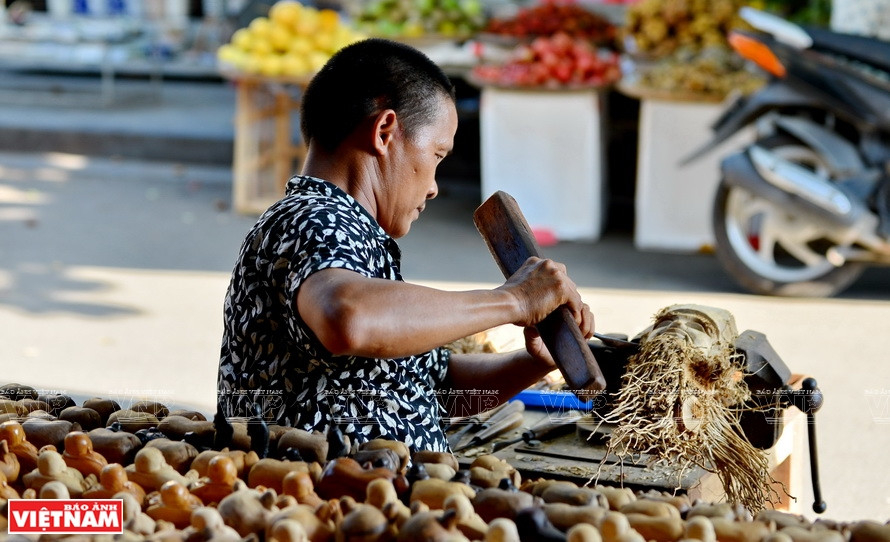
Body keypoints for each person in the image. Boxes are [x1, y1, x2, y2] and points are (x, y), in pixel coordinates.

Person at [217, 38, 594, 453]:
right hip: (321, 491)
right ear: (384, 132)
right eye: (437, 154)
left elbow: (433, 392)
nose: (433, 187)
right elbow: (348, 318)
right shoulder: (311, 217)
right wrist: (514, 300)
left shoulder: (352, 234)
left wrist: (535, 361)